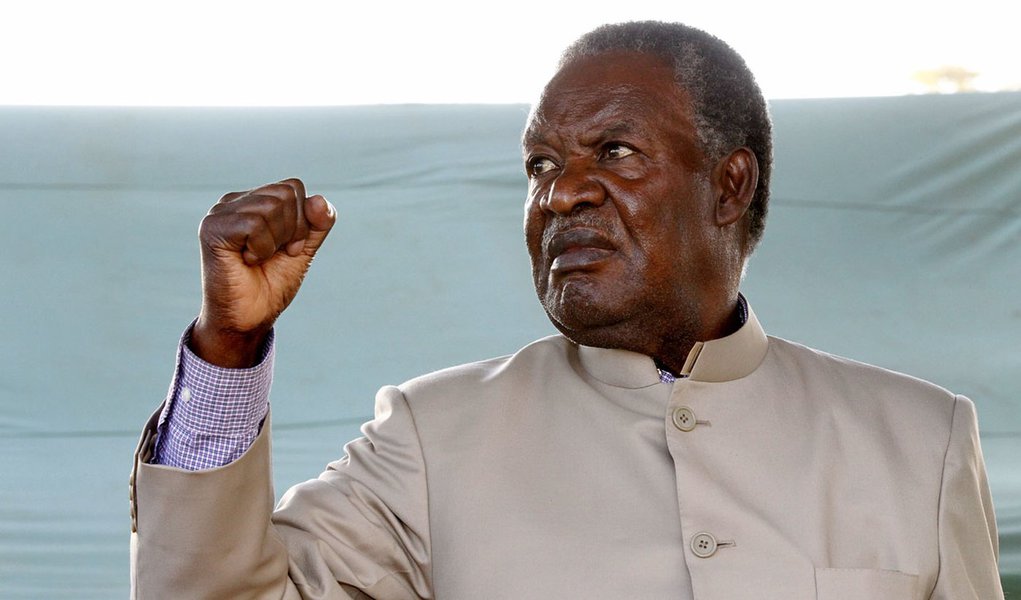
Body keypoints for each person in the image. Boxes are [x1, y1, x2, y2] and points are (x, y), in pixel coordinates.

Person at [129, 21, 1003, 599]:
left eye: (613, 152)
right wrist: (229, 347)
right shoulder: (434, 437)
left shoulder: (919, 439)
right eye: (540, 165)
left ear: (729, 185)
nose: (560, 194)